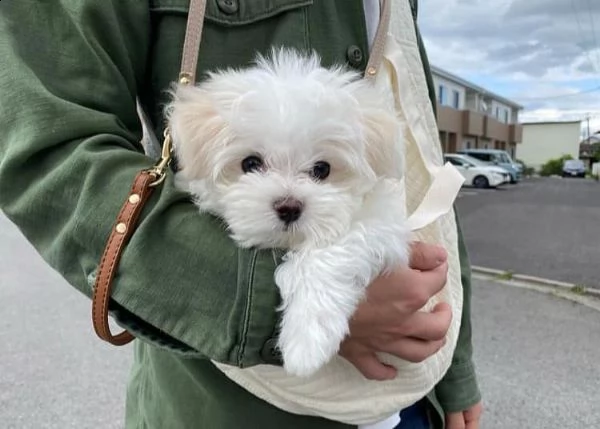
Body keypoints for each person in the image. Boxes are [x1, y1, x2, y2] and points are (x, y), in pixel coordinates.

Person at [0, 1, 482, 428]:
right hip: (226, 403)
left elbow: (427, 166)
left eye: (319, 169)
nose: (289, 197)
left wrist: (457, 369)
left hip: (416, 400)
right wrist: (280, 299)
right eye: (252, 164)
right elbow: (50, 145)